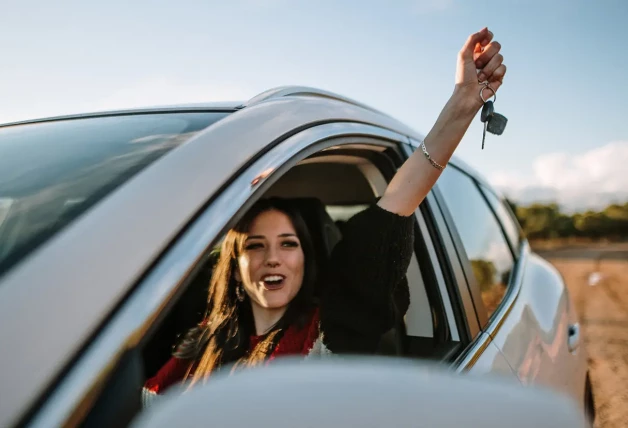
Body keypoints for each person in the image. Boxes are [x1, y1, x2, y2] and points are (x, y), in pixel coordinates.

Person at [142, 27, 507, 405]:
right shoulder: (200, 342)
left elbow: (397, 202)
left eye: (288, 243)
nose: (273, 258)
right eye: (255, 245)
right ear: (234, 263)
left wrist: (463, 103)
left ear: (305, 257)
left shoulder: (332, 331)